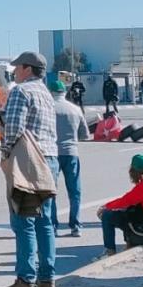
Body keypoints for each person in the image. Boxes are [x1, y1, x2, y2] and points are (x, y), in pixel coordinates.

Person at [0, 51, 59, 287]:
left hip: (28, 161)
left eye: (17, 68)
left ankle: (25, 281)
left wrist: (5, 153)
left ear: (27, 69)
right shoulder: (46, 94)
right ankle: (47, 280)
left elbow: (14, 129)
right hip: (49, 160)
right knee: (45, 222)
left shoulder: (21, 92)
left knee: (24, 221)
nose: (15, 72)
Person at [48, 74, 89, 237]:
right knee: (74, 191)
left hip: (52, 153)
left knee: (51, 191)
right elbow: (85, 134)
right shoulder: (75, 109)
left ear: (50, 92)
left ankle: (53, 225)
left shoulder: (48, 108)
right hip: (71, 153)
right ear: (64, 92)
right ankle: (75, 225)